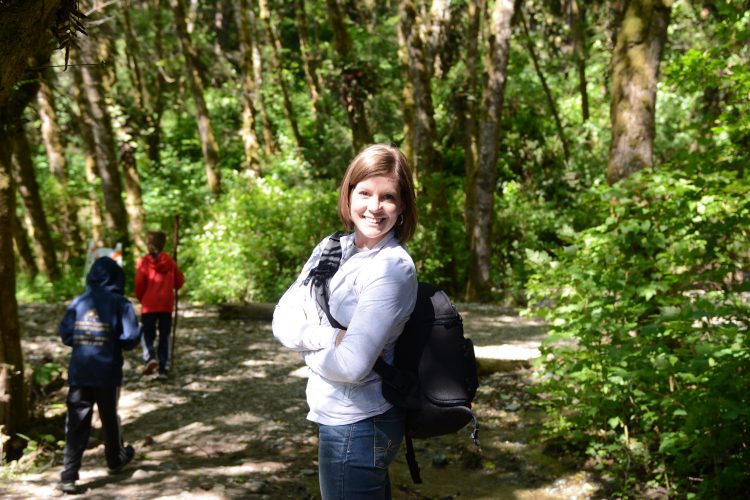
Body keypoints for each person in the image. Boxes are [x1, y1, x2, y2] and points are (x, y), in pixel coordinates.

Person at [273, 144, 419, 499]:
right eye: (365, 192)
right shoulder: (331, 248)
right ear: (349, 193)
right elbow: (281, 320)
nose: (373, 207)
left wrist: (303, 347)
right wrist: (330, 336)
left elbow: (352, 366)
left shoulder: (391, 269)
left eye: (388, 197)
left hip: (360, 422)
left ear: (402, 207)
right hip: (339, 416)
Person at [58, 257, 140, 493]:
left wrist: (86, 340)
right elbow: (130, 338)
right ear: (117, 277)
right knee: (109, 417)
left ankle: (69, 475)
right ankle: (114, 460)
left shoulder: (79, 302)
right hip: (107, 372)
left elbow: (66, 335)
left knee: (76, 423)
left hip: (80, 372)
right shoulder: (121, 303)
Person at [135, 230, 184, 377]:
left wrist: (141, 299)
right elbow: (179, 283)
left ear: (149, 245)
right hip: (166, 305)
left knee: (146, 333)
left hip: (149, 305)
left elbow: (139, 283)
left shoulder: (144, 262)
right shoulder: (170, 262)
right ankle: (164, 366)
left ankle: (150, 357)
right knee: (165, 334)